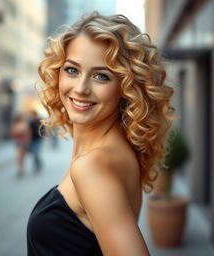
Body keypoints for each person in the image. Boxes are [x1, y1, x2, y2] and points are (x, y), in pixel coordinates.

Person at [27, 11, 174, 255]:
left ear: (127, 87)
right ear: (58, 73)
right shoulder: (117, 150)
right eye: (72, 70)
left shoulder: (92, 166)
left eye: (101, 76)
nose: (81, 88)